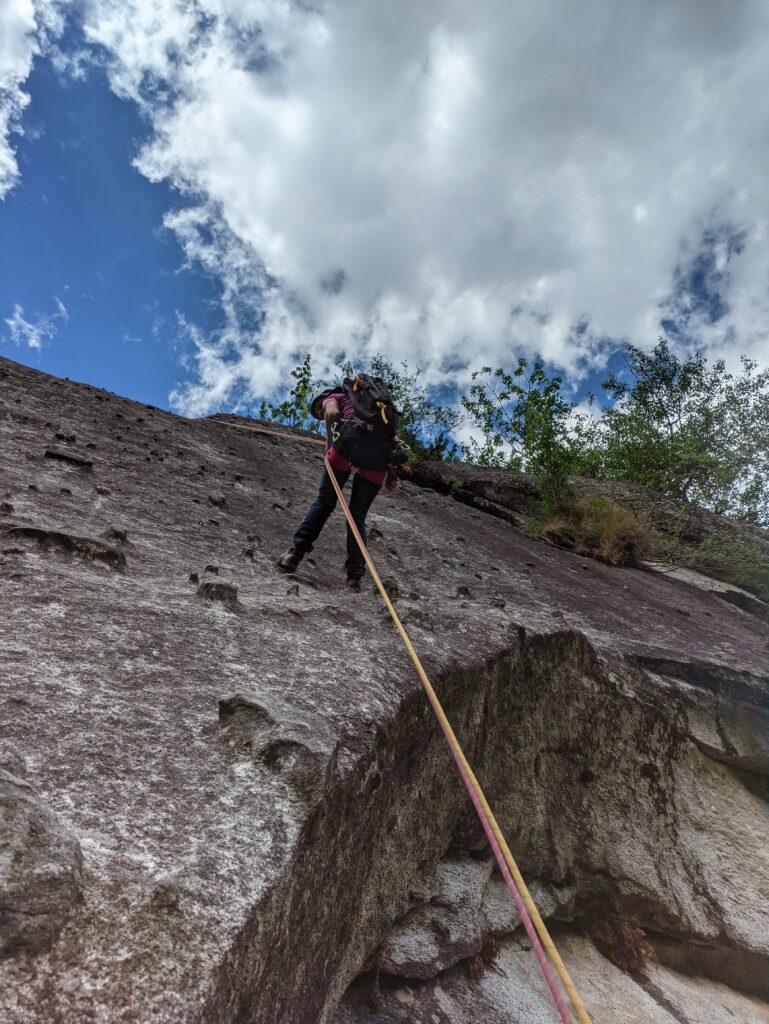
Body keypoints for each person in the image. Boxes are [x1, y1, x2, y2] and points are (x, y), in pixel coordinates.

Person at [277, 375, 410, 591]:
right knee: (357, 517)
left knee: (324, 503)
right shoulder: (374, 408)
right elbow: (393, 441)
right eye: (318, 414)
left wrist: (330, 440)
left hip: (350, 442)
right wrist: (392, 472)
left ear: (322, 397)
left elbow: (333, 413)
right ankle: (355, 577)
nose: (320, 414)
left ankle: (295, 553)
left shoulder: (334, 396)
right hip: (379, 457)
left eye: (317, 409)